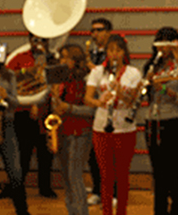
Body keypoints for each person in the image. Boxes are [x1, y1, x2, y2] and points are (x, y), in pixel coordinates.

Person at [85, 34, 141, 215]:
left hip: (125, 128)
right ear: (107, 52)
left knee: (122, 176)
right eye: (111, 50)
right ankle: (107, 212)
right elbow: (87, 98)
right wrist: (99, 102)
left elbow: (134, 101)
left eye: (118, 50)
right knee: (105, 176)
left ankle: (122, 212)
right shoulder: (98, 72)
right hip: (101, 127)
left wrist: (120, 92)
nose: (114, 54)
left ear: (124, 52)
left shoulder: (133, 73)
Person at [143, 27, 178, 215]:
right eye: (160, 42)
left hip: (172, 122)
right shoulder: (152, 65)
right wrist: (146, 84)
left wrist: (164, 90)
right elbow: (146, 96)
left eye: (168, 42)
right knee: (158, 172)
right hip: (152, 121)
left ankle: (176, 210)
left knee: (174, 172)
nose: (164, 47)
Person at [6, 33, 57, 198]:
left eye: (43, 39)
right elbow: (7, 78)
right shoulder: (19, 57)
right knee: (22, 153)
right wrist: (26, 71)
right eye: (36, 39)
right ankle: (16, 187)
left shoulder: (53, 58)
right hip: (23, 111)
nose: (40, 43)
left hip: (46, 111)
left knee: (45, 152)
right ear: (29, 40)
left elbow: (57, 83)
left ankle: (45, 187)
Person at [50, 44, 95, 215]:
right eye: (61, 57)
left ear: (75, 60)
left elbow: (92, 110)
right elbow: (57, 106)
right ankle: (72, 212)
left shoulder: (86, 80)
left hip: (80, 132)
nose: (61, 61)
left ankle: (81, 212)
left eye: (65, 57)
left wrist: (68, 108)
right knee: (66, 178)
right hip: (63, 130)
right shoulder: (62, 79)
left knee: (75, 177)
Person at [0, 38, 31, 215]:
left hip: (6, 124)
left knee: (15, 171)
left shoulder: (9, 75)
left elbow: (16, 103)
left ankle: (22, 211)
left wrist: (6, 96)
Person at [85, 17, 113, 206]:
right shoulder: (90, 51)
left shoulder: (115, 51)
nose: (95, 34)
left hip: (109, 106)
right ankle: (97, 189)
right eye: (92, 30)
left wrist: (93, 69)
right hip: (91, 106)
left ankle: (113, 192)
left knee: (111, 156)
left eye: (99, 30)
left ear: (108, 32)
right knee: (93, 155)